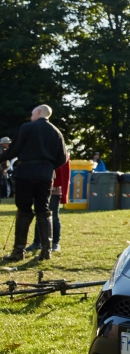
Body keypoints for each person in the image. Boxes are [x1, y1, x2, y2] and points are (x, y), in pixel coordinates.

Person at [0, 105, 68, 262]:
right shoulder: (56, 131)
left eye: (32, 113)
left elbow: (14, 150)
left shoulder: (27, 127)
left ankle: (18, 251)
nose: (31, 116)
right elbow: (63, 157)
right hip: (46, 175)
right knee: (43, 210)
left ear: (38, 112)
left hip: (26, 172)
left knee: (24, 209)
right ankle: (46, 251)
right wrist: (48, 167)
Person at [28, 157, 69, 254]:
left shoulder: (58, 150)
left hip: (54, 187)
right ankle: (37, 242)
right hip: (41, 186)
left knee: (53, 216)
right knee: (40, 214)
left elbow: (63, 172)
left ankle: (55, 243)